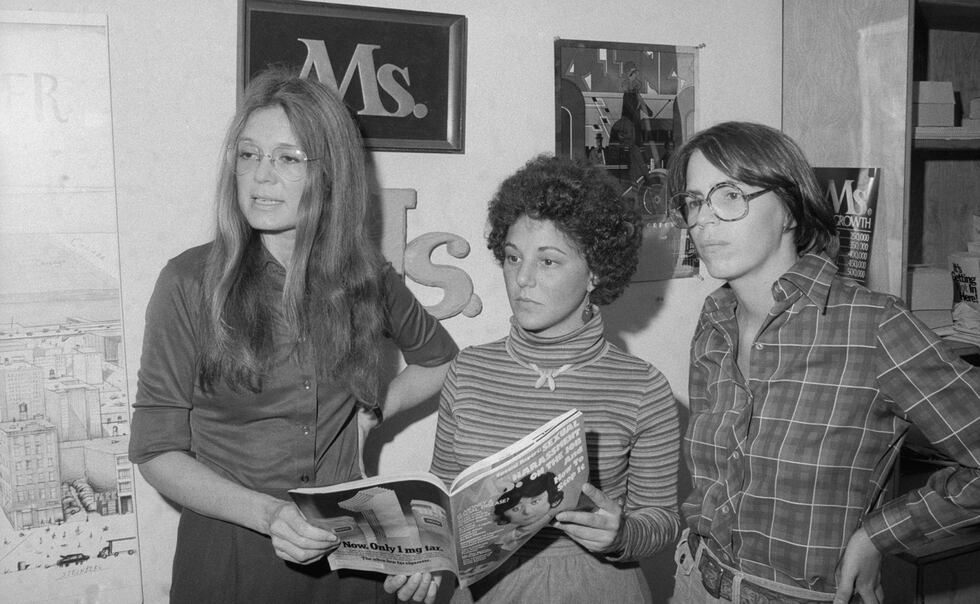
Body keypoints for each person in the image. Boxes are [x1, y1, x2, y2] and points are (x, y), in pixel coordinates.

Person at [128, 67, 458, 603]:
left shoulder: (365, 275)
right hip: (230, 553)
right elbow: (155, 453)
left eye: (287, 158)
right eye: (249, 154)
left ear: (329, 176)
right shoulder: (189, 283)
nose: (261, 176)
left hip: (349, 551)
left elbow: (441, 360)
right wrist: (271, 514)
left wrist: (371, 411)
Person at [664, 121, 980, 604]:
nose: (702, 220)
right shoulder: (715, 318)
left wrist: (880, 533)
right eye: (693, 201)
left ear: (789, 208)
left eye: (728, 196)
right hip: (695, 578)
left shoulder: (872, 325)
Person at [386, 154, 681, 604]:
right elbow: (440, 499)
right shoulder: (468, 372)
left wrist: (621, 534)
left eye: (548, 262)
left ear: (595, 271)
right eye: (512, 257)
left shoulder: (644, 388)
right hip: (486, 591)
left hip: (595, 588)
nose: (522, 278)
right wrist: (422, 555)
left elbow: (661, 522)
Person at [492, 472, 565, 552]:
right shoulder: (510, 535)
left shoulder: (557, 522)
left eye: (535, 502)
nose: (527, 511)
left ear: (554, 500)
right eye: (516, 509)